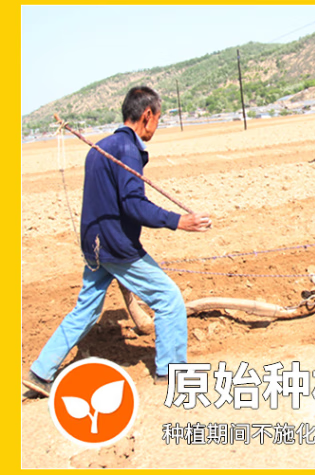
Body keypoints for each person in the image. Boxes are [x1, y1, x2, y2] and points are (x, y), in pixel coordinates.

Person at [22, 86, 212, 397]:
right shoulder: (127, 150)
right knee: (168, 299)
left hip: (94, 245)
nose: (157, 125)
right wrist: (179, 221)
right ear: (147, 115)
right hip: (116, 246)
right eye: (158, 118)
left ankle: (40, 372)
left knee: (86, 310)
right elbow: (134, 205)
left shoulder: (100, 148)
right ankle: (171, 372)